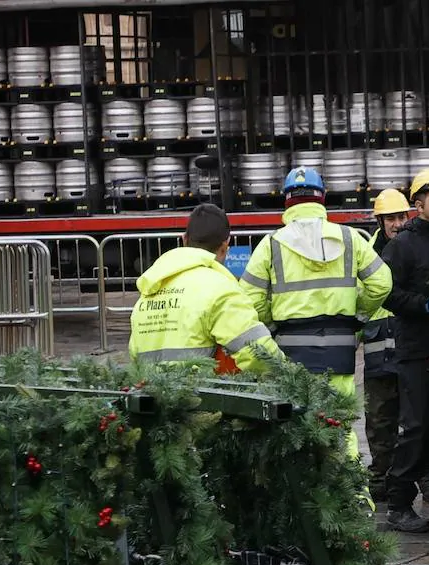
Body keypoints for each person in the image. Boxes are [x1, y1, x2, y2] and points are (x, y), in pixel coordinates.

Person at [238, 166, 393, 463]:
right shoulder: (350, 239)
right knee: (340, 427)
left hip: (291, 351)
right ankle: (355, 500)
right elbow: (382, 282)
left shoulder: (271, 245)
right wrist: (358, 317)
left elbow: (248, 298)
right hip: (340, 348)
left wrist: (272, 325)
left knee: (295, 430)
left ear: (286, 201)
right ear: (322, 198)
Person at [382, 168, 429, 534]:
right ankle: (398, 504)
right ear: (418, 205)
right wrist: (426, 305)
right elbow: (388, 294)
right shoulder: (402, 245)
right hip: (416, 350)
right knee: (416, 427)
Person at [129, 203, 282, 372]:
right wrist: (289, 374)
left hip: (150, 391)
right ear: (224, 248)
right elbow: (257, 352)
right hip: (201, 393)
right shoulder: (221, 289)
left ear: (184, 239)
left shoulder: (150, 289)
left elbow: (134, 356)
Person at [360, 188, 410, 504]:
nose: (397, 223)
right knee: (380, 421)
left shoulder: (414, 247)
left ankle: (422, 480)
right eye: (391, 218)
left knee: (418, 419)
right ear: (380, 220)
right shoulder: (367, 253)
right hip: (379, 348)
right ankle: (380, 479)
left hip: (409, 345)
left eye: (401, 216)